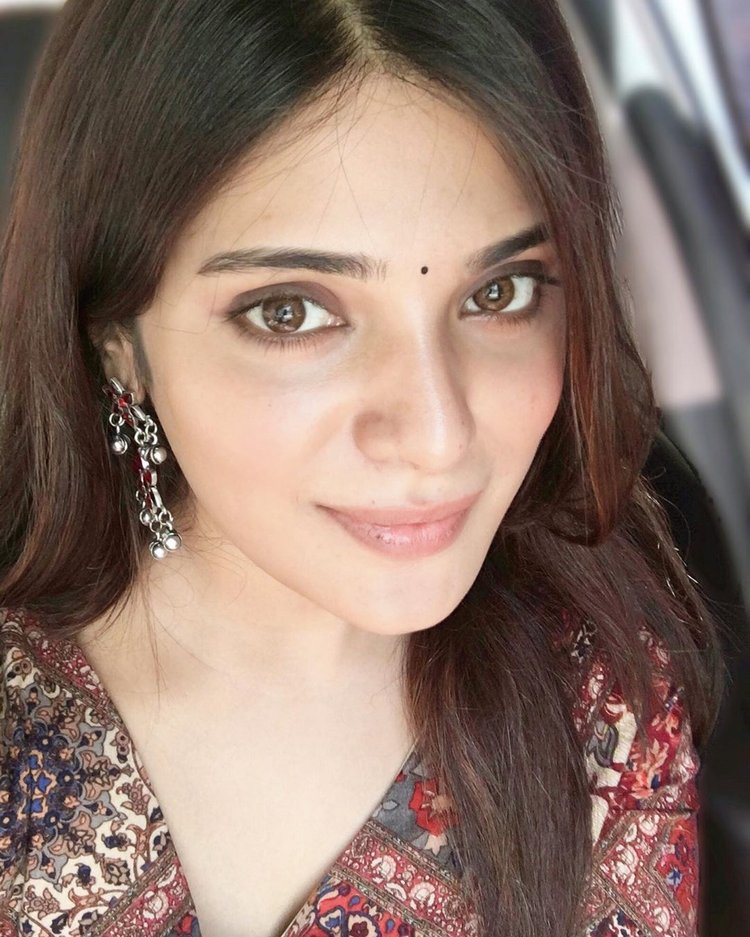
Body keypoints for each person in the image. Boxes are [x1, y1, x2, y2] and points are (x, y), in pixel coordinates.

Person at [0, 0, 724, 935]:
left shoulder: (602, 708)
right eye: (292, 312)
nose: (437, 433)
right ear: (117, 341)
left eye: (499, 293)